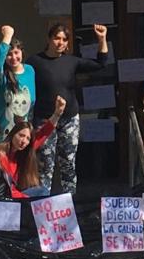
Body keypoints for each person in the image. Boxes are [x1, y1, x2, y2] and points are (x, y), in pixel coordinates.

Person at [26, 22, 108, 194]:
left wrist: (102, 39)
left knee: (68, 164)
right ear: (49, 39)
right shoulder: (35, 62)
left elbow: (101, 64)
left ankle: (69, 205)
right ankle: (43, 204)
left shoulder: (72, 61)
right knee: (45, 165)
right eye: (57, 38)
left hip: (69, 119)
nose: (60, 42)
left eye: (64, 40)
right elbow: (20, 78)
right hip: (44, 119)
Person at [0, 95, 67, 199]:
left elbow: (44, 132)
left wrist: (57, 114)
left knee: (42, 191)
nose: (24, 141)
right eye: (21, 135)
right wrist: (24, 197)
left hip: (19, 193)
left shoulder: (24, 150)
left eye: (28, 138)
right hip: (6, 196)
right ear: (12, 134)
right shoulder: (0, 153)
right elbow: (6, 188)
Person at [0, 25, 36, 137]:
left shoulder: (29, 70)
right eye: (9, 54)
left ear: (22, 52)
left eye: (16, 52)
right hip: (1, 136)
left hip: (22, 136)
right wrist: (7, 36)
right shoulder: (0, 75)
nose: (13, 57)